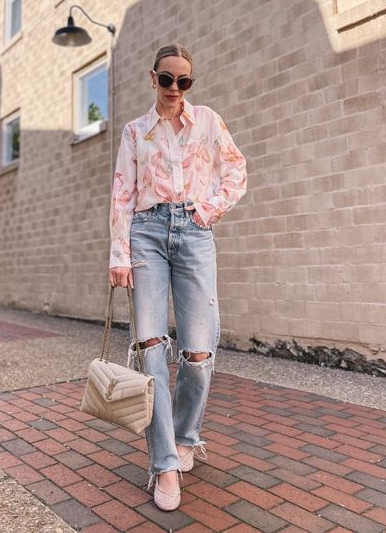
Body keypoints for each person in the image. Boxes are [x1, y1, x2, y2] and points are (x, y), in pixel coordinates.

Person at [108, 44, 247, 511]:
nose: (174, 90)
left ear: (191, 83)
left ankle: (187, 433)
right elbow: (122, 195)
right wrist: (119, 254)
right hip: (146, 233)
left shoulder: (207, 121)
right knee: (150, 346)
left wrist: (208, 211)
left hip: (194, 231)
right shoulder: (135, 132)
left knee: (198, 350)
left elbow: (236, 171)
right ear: (153, 78)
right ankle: (164, 463)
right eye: (167, 80)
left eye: (183, 81)